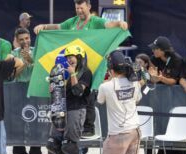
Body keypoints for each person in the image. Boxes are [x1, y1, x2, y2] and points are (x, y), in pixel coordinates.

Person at [34, 0, 128, 137]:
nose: (79, 11)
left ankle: (89, 127)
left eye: (81, 8)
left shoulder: (96, 22)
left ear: (89, 7)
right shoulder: (72, 22)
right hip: (74, 67)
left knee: (88, 94)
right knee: (74, 93)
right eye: (77, 8)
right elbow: (58, 27)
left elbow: (109, 25)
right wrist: (44, 26)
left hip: (91, 66)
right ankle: (70, 126)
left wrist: (120, 23)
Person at [83, 50, 142, 154]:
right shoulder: (134, 82)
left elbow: (100, 101)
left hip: (118, 132)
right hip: (135, 129)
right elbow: (137, 99)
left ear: (110, 67)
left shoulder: (106, 86)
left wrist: (108, 81)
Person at [47, 45, 92, 154]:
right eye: (67, 58)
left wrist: (72, 74)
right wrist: (54, 89)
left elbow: (78, 91)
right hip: (62, 110)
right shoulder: (66, 73)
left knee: (70, 144)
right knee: (53, 143)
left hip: (76, 110)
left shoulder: (85, 72)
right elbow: (62, 94)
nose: (69, 60)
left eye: (71, 57)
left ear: (79, 57)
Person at [148, 36, 183, 154]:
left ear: (163, 50)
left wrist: (160, 78)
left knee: (173, 125)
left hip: (175, 96)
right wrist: (154, 77)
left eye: (155, 49)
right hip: (159, 96)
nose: (153, 51)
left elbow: (174, 81)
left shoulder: (176, 60)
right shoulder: (153, 59)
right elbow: (152, 76)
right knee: (161, 124)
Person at [10, 28, 41, 154]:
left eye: (27, 38)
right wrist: (24, 63)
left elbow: (41, 72)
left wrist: (32, 61)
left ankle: (35, 149)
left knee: (36, 120)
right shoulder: (13, 54)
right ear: (17, 41)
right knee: (18, 120)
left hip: (34, 89)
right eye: (21, 39)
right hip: (18, 88)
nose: (25, 41)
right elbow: (13, 75)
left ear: (30, 38)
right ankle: (18, 150)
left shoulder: (38, 51)